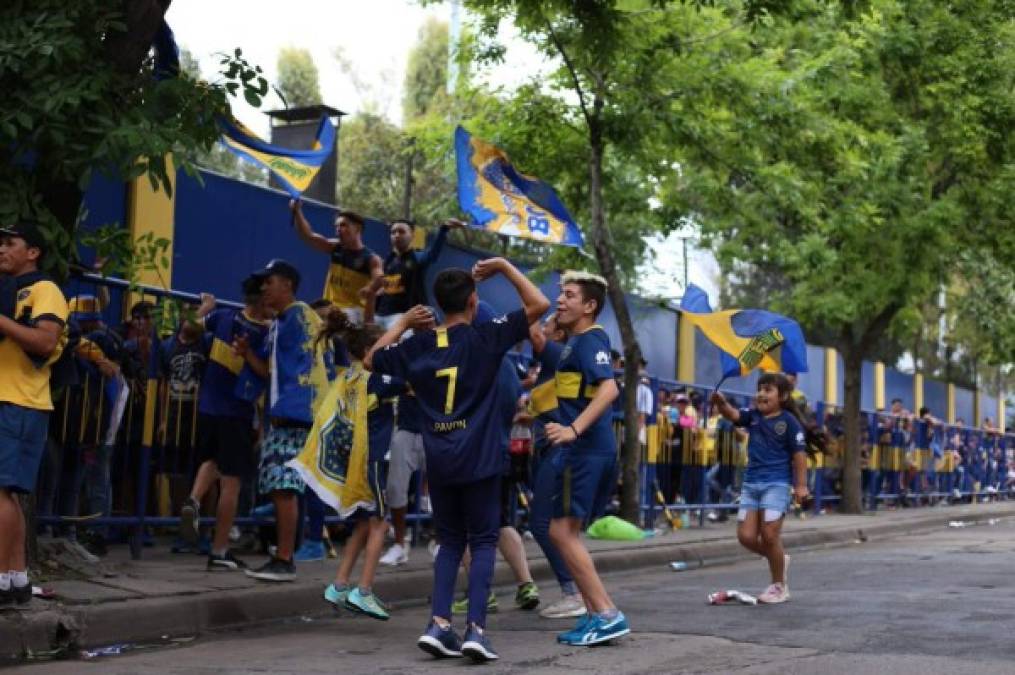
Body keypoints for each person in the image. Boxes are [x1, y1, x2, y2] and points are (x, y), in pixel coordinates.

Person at [365, 258, 549, 663]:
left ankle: (439, 624)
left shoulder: (417, 345)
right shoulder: (486, 337)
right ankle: (476, 631)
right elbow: (539, 304)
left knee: (450, 542)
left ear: (436, 305)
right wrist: (502, 265)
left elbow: (370, 359)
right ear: (472, 301)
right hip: (481, 457)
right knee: (483, 540)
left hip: (440, 459)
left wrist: (403, 325)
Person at [543, 271, 628, 647]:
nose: (560, 300)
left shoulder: (592, 339)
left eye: (570, 295)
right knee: (564, 532)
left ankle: (607, 614)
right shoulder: (573, 342)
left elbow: (609, 388)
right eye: (560, 293)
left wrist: (572, 430)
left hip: (586, 449)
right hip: (583, 450)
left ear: (590, 306)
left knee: (562, 532)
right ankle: (595, 615)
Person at [235, 259, 334, 582]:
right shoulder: (280, 323)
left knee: (282, 487)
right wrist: (248, 352)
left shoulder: (301, 314)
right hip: (286, 416)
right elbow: (268, 372)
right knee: (285, 488)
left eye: (270, 281)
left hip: (297, 416)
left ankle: (285, 559)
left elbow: (316, 355)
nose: (264, 287)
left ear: (288, 285)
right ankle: (286, 554)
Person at [318, 313, 408, 619]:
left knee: (361, 524)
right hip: (374, 459)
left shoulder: (348, 376)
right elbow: (411, 383)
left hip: (356, 462)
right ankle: (365, 591)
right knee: (380, 523)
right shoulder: (377, 379)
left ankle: (340, 584)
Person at [179, 276, 271, 571]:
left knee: (212, 461)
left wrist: (205, 306)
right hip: (237, 411)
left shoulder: (221, 316)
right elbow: (265, 372)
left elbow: (188, 330)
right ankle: (219, 551)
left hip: (207, 407)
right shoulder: (266, 334)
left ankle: (193, 499)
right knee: (231, 484)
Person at [0, 220, 69, 606]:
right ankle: (15, 580)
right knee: (7, 495)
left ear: (33, 252)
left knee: (2, 493)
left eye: (10, 243)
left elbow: (44, 341)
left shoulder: (44, 289)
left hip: (19, 401)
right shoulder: (10, 291)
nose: (1, 249)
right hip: (10, 400)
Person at [710, 373, 812, 604]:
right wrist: (721, 402)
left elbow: (799, 455)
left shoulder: (789, 421)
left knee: (769, 535)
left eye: (768, 390)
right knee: (745, 537)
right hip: (750, 485)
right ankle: (778, 559)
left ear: (783, 396)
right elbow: (732, 415)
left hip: (777, 485)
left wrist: (801, 485)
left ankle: (779, 586)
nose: (762, 394)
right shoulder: (752, 416)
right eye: (760, 389)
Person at [527, 313, 585, 620]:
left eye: (547, 325)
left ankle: (572, 593)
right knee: (555, 527)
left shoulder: (557, 352)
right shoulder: (554, 365)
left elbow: (533, 333)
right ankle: (579, 592)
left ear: (558, 334)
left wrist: (510, 278)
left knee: (543, 525)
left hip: (560, 452)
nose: (542, 331)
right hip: (552, 451)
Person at [290, 200, 382, 323]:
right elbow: (308, 236)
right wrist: (297, 211)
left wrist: (370, 287)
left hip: (354, 311)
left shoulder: (371, 258)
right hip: (330, 308)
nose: (338, 229)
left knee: (330, 318)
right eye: (337, 226)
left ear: (358, 228)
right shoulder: (335, 247)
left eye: (344, 225)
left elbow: (380, 278)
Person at [370, 218, 463, 329]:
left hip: (403, 317)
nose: (396, 235)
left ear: (412, 235)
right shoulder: (388, 261)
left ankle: (444, 344)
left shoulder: (417, 257)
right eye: (393, 232)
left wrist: (444, 229)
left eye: (401, 231)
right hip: (380, 315)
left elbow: (433, 254)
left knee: (439, 333)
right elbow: (382, 288)